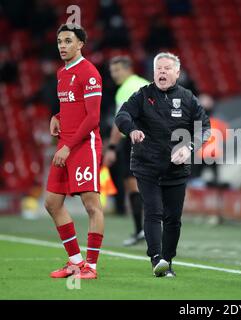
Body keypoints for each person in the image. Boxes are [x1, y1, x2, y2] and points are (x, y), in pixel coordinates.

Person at [115, 52, 210, 277]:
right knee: (154, 211)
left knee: (173, 218)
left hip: (176, 169)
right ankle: (156, 258)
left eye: (167, 68)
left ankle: (168, 261)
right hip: (146, 165)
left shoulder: (188, 98)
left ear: (177, 72)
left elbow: (205, 128)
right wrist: (132, 130)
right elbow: (122, 115)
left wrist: (189, 148)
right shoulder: (143, 95)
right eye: (159, 68)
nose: (162, 72)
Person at [45, 24, 104, 280]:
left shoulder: (89, 73)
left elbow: (92, 118)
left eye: (68, 41)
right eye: (59, 41)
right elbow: (72, 106)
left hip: (84, 146)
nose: (62, 45)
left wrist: (69, 147)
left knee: (91, 206)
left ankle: (91, 266)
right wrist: (56, 116)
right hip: (65, 145)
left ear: (80, 44)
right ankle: (75, 262)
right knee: (52, 203)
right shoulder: (61, 73)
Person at [104, 56, 150, 246]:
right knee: (148, 184)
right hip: (151, 139)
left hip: (133, 140)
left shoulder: (125, 89)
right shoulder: (146, 84)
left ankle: (142, 230)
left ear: (127, 69)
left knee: (133, 186)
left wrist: (112, 147)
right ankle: (147, 230)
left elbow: (120, 122)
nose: (114, 75)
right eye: (112, 71)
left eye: (117, 70)